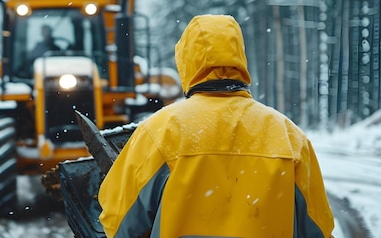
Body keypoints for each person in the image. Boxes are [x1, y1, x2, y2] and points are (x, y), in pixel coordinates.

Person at [97, 14, 335, 237]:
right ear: (240, 58)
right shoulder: (289, 136)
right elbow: (319, 228)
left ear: (186, 63)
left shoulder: (159, 131)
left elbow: (117, 222)